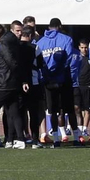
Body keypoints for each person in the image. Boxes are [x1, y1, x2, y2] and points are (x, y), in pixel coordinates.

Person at [34, 17, 74, 145]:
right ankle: (78, 137)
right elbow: (68, 60)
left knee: (52, 110)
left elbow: (39, 62)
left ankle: (56, 138)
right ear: (60, 26)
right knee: (68, 109)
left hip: (48, 80)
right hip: (63, 79)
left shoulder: (40, 42)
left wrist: (47, 73)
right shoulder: (66, 39)